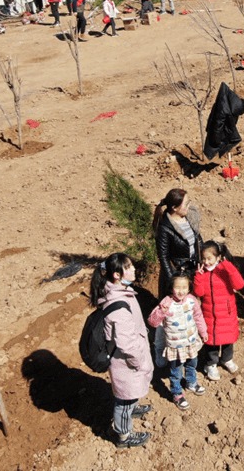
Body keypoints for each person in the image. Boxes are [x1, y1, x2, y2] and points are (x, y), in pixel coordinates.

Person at [90, 253, 152, 449]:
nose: (134, 269)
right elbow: (126, 345)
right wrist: (140, 362)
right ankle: (123, 437)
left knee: (128, 394)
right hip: (127, 363)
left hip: (127, 362)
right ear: (116, 275)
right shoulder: (119, 307)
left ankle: (131, 408)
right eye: (129, 267)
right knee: (124, 400)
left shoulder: (120, 291)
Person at [148, 273, 207, 410]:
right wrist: (162, 310)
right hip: (175, 346)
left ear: (189, 288)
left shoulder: (192, 300)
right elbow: (153, 322)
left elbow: (198, 317)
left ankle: (191, 383)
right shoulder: (166, 303)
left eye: (184, 287)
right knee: (176, 371)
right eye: (177, 287)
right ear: (171, 288)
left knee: (192, 364)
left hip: (191, 343)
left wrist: (203, 332)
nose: (181, 291)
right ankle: (177, 393)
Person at [193, 241, 244, 380]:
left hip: (227, 313)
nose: (206, 261)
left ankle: (227, 359)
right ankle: (211, 364)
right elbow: (199, 292)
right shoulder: (202, 273)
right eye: (204, 258)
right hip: (209, 314)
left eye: (209, 258)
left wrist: (228, 266)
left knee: (228, 338)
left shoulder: (225, 270)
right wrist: (197, 277)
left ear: (219, 257)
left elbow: (239, 285)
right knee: (212, 341)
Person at [153, 189, 202, 298]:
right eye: (186, 204)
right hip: (177, 272)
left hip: (192, 272)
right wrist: (173, 281)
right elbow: (163, 257)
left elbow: (198, 240)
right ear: (174, 208)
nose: (189, 206)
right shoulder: (164, 228)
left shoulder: (190, 219)